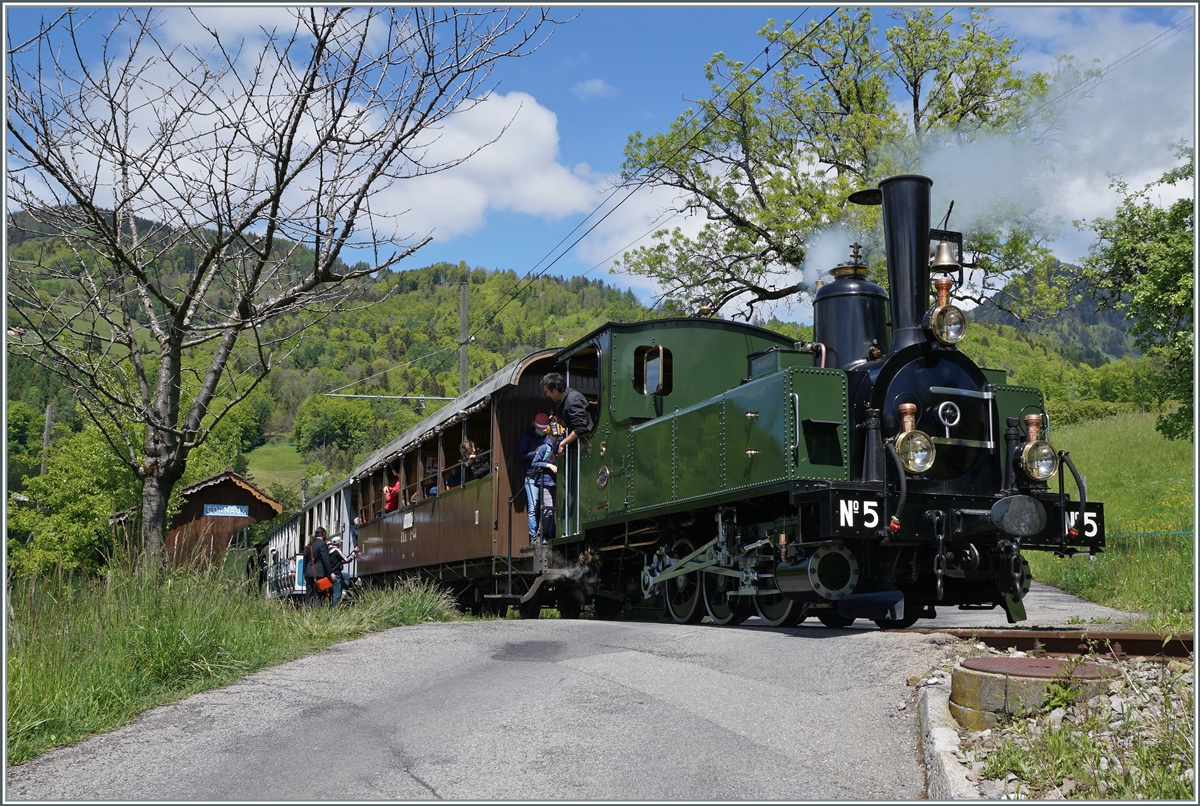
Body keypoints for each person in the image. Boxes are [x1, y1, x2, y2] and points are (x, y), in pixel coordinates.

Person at [518, 413, 558, 544]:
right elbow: (522, 456)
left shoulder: (549, 439)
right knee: (533, 506)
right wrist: (534, 453)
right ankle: (534, 536)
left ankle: (546, 533)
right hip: (531, 475)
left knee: (547, 506)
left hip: (545, 477)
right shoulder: (527, 437)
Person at [541, 372, 593, 458]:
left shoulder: (572, 400)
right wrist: (561, 422)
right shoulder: (566, 399)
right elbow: (574, 424)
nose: (547, 395)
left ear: (555, 390)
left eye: (547, 392)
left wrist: (563, 443)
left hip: (588, 443)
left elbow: (581, 428)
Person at [303, 527, 335, 607]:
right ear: (323, 534)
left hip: (309, 573)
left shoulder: (310, 545)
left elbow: (305, 562)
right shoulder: (322, 545)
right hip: (319, 573)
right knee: (318, 595)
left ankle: (307, 612)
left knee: (309, 595)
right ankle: (316, 613)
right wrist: (331, 573)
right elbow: (325, 560)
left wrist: (305, 574)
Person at [328, 536, 360, 606]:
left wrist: (350, 558)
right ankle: (334, 608)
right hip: (336, 574)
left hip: (329, 573)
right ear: (339, 543)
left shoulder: (329, 550)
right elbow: (346, 559)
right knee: (337, 594)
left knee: (346, 576)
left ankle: (343, 590)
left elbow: (338, 561)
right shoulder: (337, 551)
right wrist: (354, 551)